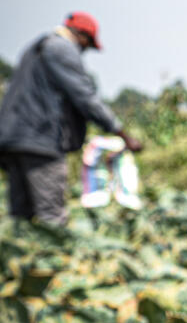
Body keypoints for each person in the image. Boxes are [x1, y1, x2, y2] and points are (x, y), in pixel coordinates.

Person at [0, 12, 144, 226]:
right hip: (40, 141)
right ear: (83, 37)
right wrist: (121, 133)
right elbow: (85, 97)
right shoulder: (62, 49)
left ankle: (20, 257)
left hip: (12, 139)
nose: (84, 50)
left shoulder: (35, 48)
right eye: (87, 45)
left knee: (21, 217)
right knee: (52, 217)